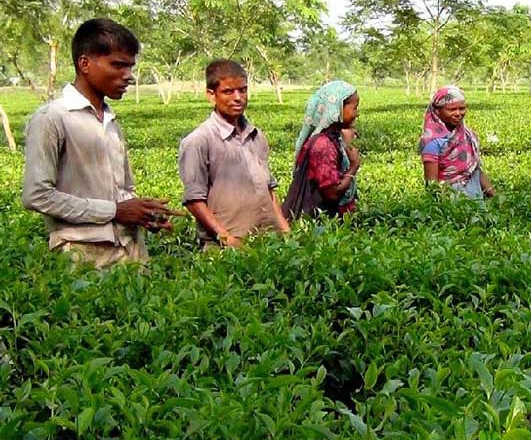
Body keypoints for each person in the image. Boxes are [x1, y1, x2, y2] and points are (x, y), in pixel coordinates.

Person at [22, 18, 181, 268]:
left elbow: (124, 188)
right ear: (84, 63)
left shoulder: (110, 120)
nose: (128, 76)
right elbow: (37, 195)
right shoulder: (51, 118)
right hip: (82, 252)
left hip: (130, 248)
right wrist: (113, 210)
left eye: (130, 66)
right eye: (118, 65)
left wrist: (143, 214)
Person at [178, 60, 290, 249]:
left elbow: (269, 189)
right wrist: (226, 238)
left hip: (269, 240)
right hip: (226, 245)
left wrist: (285, 230)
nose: (238, 97)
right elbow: (194, 200)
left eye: (243, 90)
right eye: (228, 92)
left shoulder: (257, 136)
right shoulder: (199, 141)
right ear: (211, 95)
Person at [282, 80, 361, 219]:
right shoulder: (323, 145)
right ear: (338, 108)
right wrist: (353, 166)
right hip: (318, 224)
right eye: (354, 108)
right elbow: (332, 193)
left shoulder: (334, 138)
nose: (357, 113)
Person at [419, 85, 496, 199]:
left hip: (476, 201)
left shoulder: (467, 135)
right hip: (451, 203)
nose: (458, 113)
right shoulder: (432, 143)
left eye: (462, 108)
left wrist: (495, 196)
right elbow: (432, 186)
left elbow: (475, 171)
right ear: (437, 111)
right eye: (451, 109)